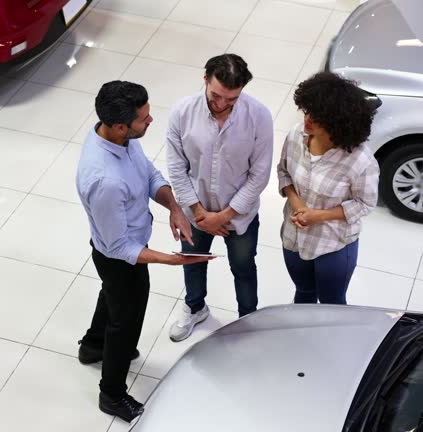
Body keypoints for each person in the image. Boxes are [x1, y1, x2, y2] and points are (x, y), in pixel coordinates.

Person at [76, 80, 212, 422]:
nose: (150, 121)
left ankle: (93, 346)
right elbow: (120, 247)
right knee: (126, 320)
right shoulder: (104, 179)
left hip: (124, 245)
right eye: (144, 119)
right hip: (117, 256)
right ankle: (112, 393)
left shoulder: (119, 138)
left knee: (112, 295)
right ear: (121, 126)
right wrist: (173, 259)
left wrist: (174, 208)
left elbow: (149, 175)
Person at [166, 53, 273, 341]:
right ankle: (195, 308)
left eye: (232, 99)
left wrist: (223, 216)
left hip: (238, 217)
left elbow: (259, 175)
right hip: (194, 210)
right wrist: (200, 214)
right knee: (193, 261)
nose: (222, 104)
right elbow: (177, 168)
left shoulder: (259, 116)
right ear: (205, 79)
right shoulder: (182, 112)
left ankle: (247, 321)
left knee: (243, 267)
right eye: (216, 95)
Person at [277, 71, 379, 305]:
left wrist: (318, 216)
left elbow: (365, 203)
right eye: (307, 111)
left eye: (317, 117)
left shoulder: (360, 160)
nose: (308, 120)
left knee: (332, 303)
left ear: (336, 123)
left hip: (333, 245)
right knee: (303, 293)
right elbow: (283, 172)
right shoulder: (296, 135)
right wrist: (298, 205)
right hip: (293, 238)